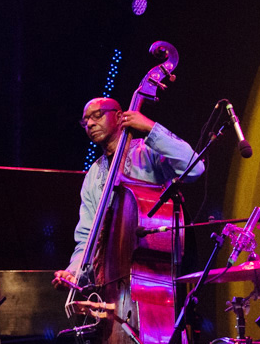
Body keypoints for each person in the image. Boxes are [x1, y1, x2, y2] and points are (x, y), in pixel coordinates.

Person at [53, 96, 205, 290]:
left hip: (158, 274)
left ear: (118, 117)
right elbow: (87, 236)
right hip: (114, 282)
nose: (90, 124)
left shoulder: (147, 151)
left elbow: (194, 168)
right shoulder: (93, 174)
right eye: (85, 121)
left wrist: (151, 128)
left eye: (97, 116)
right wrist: (74, 272)